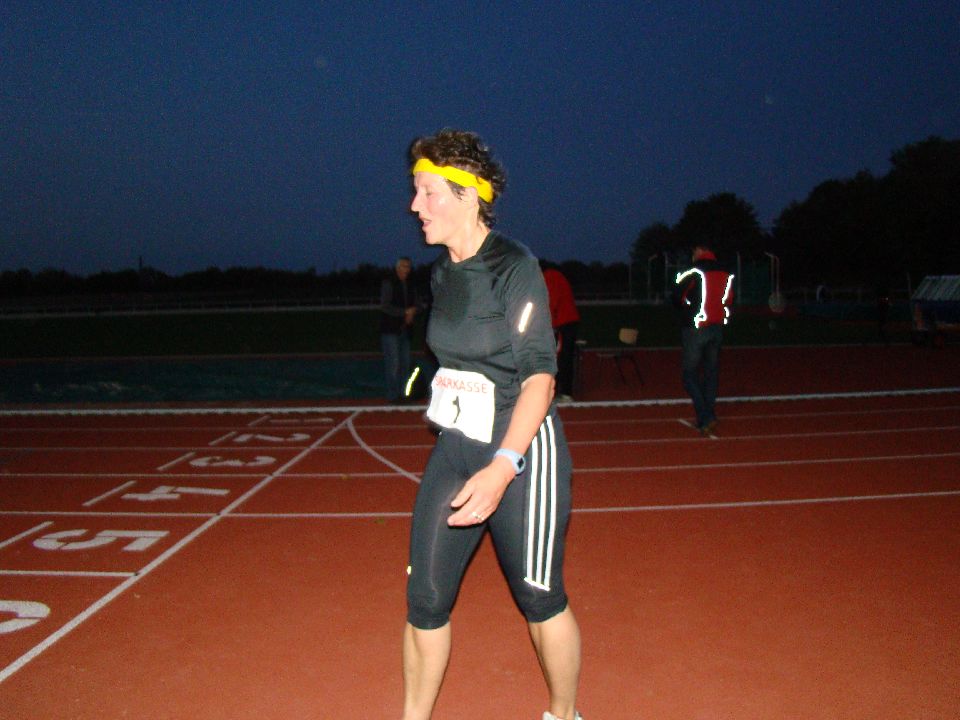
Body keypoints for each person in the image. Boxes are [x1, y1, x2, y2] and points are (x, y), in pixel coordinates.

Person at [404, 129, 583, 720]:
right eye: (415, 192)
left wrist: (504, 466)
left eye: (428, 192)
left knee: (538, 596)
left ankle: (563, 713)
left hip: (522, 449)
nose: (415, 205)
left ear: (468, 195)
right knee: (425, 599)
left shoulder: (514, 267)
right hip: (458, 447)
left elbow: (540, 378)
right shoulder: (441, 274)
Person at [672, 243, 735, 435]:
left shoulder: (693, 271)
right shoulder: (725, 272)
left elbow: (677, 297)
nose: (692, 255)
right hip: (717, 327)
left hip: (696, 327)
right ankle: (706, 417)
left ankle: (706, 416)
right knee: (711, 374)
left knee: (689, 375)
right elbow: (729, 299)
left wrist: (688, 306)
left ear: (699, 251)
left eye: (693, 251)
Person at [380, 256, 419, 403]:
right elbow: (385, 306)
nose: (406, 269)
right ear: (397, 268)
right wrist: (405, 312)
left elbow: (419, 304)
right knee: (393, 364)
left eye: (408, 267)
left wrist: (413, 311)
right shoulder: (389, 283)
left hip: (406, 331)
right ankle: (393, 395)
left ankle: (403, 394)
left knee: (405, 363)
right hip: (390, 330)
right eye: (403, 266)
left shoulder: (411, 284)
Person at [541, 262, 581, 402]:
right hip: (567, 321)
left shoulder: (550, 277)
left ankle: (565, 393)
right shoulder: (555, 276)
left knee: (563, 358)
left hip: (564, 323)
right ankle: (562, 391)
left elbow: (552, 302)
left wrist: (548, 326)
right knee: (563, 357)